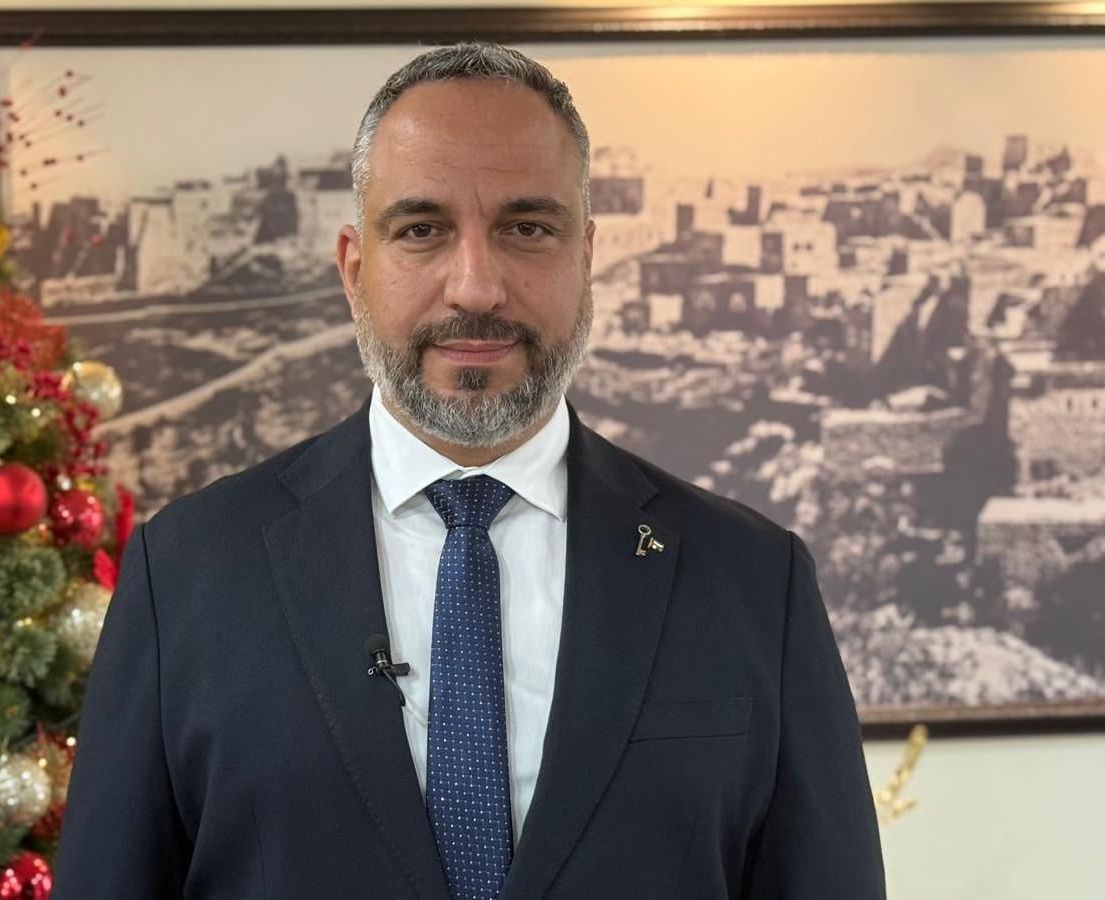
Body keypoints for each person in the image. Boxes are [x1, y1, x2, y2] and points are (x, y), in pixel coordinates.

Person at [52, 42, 885, 899]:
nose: (476, 286)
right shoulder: (185, 573)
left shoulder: (752, 582)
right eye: (422, 230)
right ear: (352, 269)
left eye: (527, 229)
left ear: (587, 260)